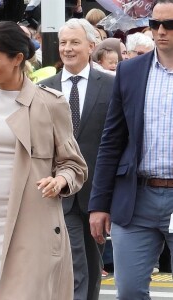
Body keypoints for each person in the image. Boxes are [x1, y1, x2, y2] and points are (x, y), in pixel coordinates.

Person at [0, 20, 88, 300]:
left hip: (32, 225)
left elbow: (74, 165)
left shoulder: (51, 103)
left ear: (18, 59)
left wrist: (60, 180)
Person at [89, 0, 173, 299]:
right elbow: (111, 140)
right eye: (155, 24)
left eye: (169, 25)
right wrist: (99, 204)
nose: (161, 32)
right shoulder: (130, 71)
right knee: (129, 291)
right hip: (135, 198)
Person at [40, 18, 114, 300]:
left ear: (91, 46)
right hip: (60, 190)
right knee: (74, 265)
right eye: (63, 43)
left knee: (93, 266)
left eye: (74, 42)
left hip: (98, 191)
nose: (67, 49)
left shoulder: (110, 85)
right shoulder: (43, 88)